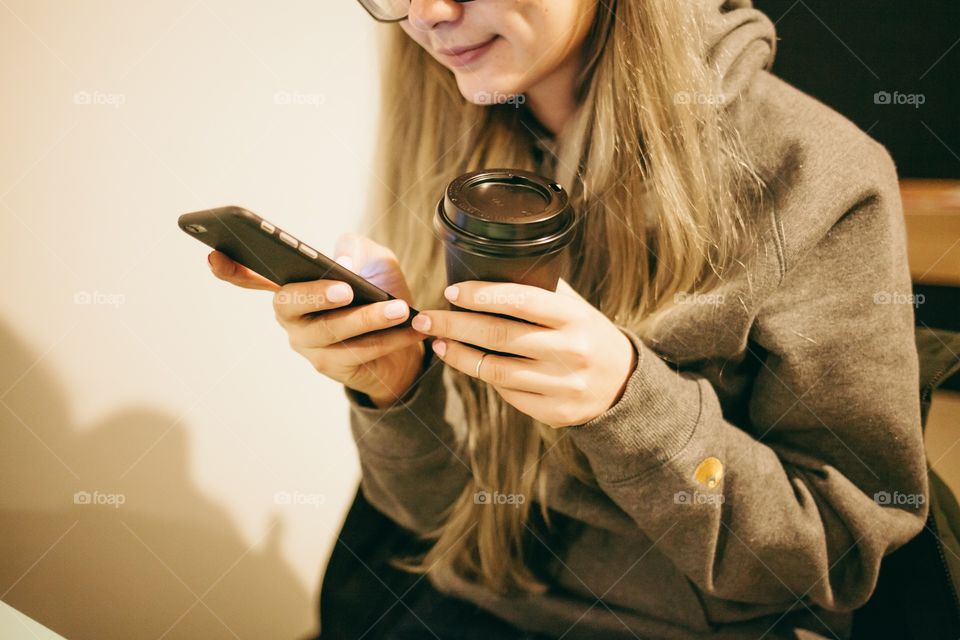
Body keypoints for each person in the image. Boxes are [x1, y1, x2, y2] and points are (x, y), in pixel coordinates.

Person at [208, 1, 929, 637]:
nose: (425, 12)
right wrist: (397, 391)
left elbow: (834, 557)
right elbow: (428, 518)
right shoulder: (452, 137)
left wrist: (630, 403)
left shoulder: (816, 173)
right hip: (461, 609)